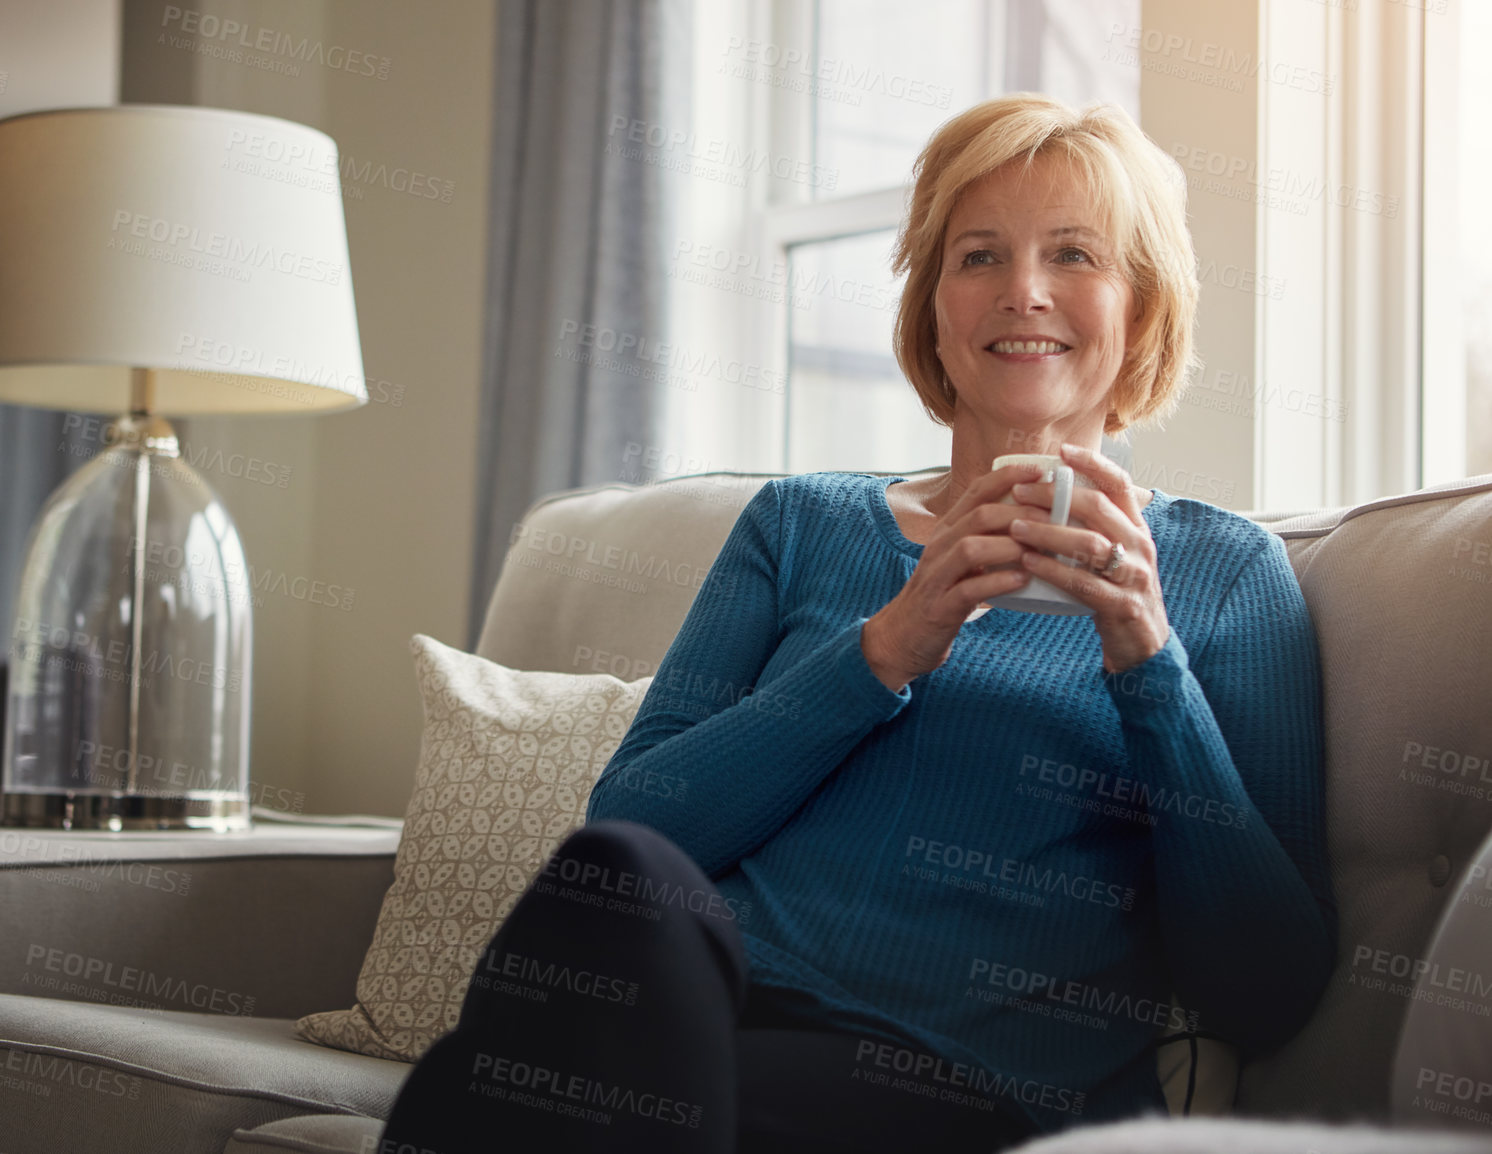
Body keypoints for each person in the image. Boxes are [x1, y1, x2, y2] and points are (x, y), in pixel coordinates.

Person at [378, 93, 1335, 1154]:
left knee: (464, 1095)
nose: (1022, 291)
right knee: (622, 877)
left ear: (1142, 306)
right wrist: (885, 646)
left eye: (1072, 254)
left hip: (968, 1090)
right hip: (694, 1023)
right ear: (933, 305)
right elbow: (642, 828)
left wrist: (1149, 666)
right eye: (977, 256)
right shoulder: (800, 524)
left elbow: (1266, 990)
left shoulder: (1226, 576)